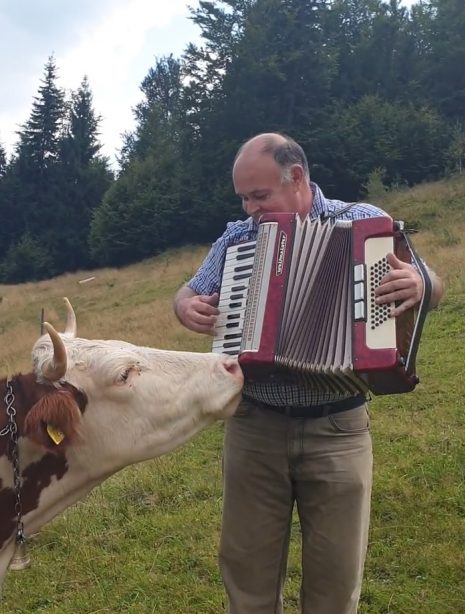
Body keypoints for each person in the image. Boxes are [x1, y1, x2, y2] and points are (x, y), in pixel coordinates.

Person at [173, 133, 445, 614]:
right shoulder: (237, 239)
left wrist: (422, 283)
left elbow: (429, 281)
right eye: (244, 198)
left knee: (336, 585)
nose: (250, 208)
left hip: (338, 428)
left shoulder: (364, 222)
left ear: (296, 177)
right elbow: (190, 291)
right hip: (255, 427)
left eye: (260, 196)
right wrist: (188, 307)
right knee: (247, 575)